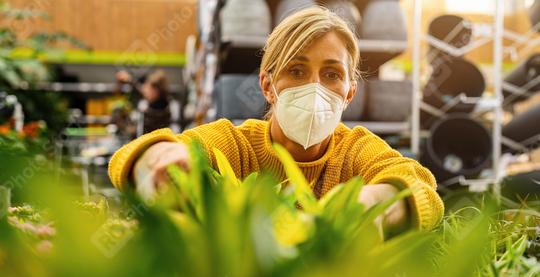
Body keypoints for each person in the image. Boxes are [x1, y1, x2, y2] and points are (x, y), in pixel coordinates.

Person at [109, 7, 444, 236]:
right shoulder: (237, 144)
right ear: (267, 85)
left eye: (331, 74)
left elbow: (419, 186)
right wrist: (158, 160)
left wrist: (371, 206)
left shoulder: (355, 150)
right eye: (296, 71)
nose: (314, 87)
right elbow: (140, 152)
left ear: (349, 93)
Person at [116, 70, 180, 135]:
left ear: (156, 91)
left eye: (148, 89)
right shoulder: (167, 102)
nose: (145, 92)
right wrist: (130, 79)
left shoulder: (158, 107)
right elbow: (141, 90)